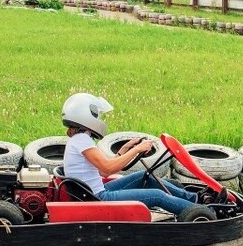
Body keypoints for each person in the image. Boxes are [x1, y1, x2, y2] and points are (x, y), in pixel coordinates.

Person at [60, 93, 208, 219]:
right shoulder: (82, 140)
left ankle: (195, 199)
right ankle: (202, 212)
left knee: (144, 176)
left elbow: (102, 170)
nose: (100, 119)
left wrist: (124, 149)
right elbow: (108, 169)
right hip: (98, 198)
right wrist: (137, 149)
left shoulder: (79, 140)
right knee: (157, 195)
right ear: (87, 115)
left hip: (93, 192)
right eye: (97, 115)